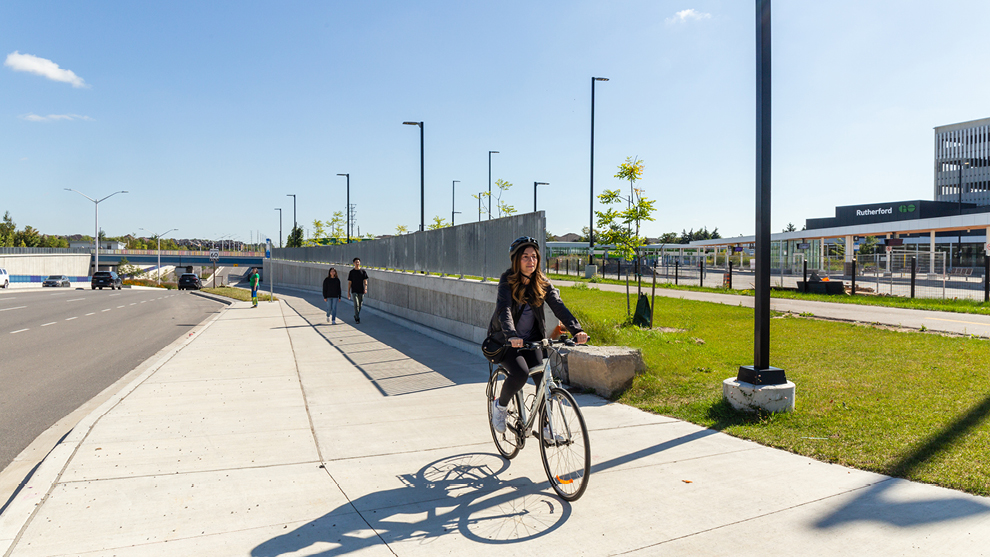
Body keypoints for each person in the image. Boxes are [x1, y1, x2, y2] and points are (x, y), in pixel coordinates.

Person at [489, 236, 588, 437]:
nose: (530, 261)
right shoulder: (507, 280)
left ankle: (546, 428)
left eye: (534, 256)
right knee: (520, 374)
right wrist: (511, 334)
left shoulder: (542, 282)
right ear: (516, 260)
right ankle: (500, 406)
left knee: (545, 383)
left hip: (532, 342)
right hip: (508, 342)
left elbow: (559, 307)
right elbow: (504, 310)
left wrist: (576, 330)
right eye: (525, 257)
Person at [347, 257, 369, 324]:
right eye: (356, 262)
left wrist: (365, 288)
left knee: (360, 304)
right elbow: (349, 282)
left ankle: (356, 315)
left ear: (360, 263)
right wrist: (348, 292)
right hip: (354, 290)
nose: (357, 263)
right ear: (354, 263)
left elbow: (365, 281)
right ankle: (357, 318)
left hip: (361, 290)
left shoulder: (363, 271)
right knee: (356, 304)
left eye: (358, 262)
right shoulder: (351, 272)